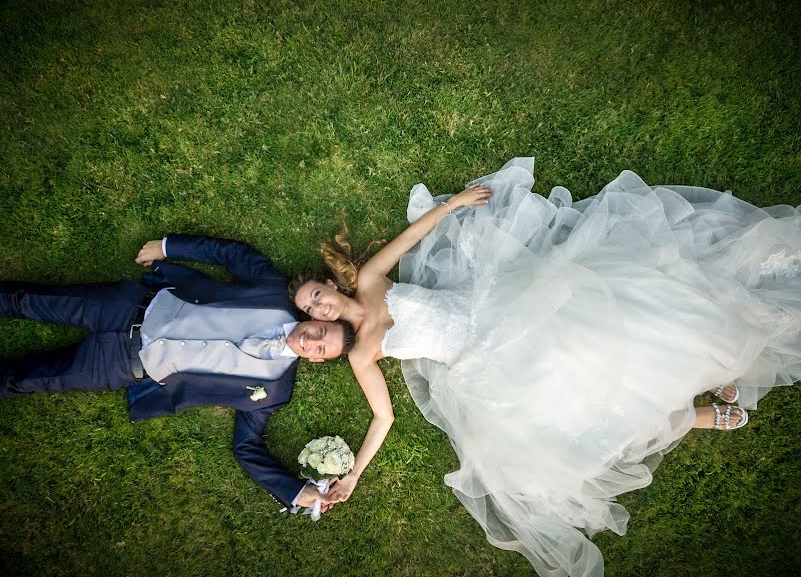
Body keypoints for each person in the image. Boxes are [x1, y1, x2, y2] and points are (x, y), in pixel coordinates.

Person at [289, 158, 801, 576]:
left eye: (316, 296)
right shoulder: (362, 354)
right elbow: (384, 418)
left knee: (612, 323)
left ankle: (711, 369)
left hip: (494, 304)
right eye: (310, 312)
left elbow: (413, 235)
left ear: (331, 286)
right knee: (577, 416)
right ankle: (700, 413)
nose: (318, 309)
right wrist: (354, 475)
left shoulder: (373, 280)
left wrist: (454, 205)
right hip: (482, 360)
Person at [1, 233, 356, 514]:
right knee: (26, 299)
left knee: (26, 379)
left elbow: (246, 446)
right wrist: (169, 246)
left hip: (120, 365)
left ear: (317, 361)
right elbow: (232, 254)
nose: (311, 340)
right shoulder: (273, 290)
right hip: (128, 307)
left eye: (321, 348)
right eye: (320, 331)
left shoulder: (275, 390)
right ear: (316, 320)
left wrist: (294, 491)